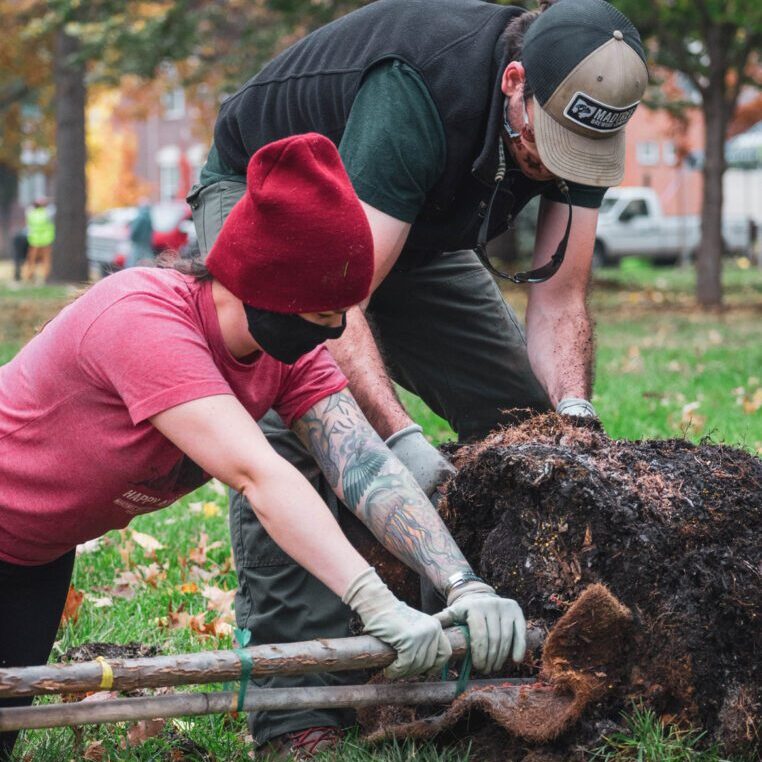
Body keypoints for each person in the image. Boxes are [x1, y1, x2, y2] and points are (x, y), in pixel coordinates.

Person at [187, 0, 649, 755]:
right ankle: (296, 711)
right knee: (308, 417)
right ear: (512, 82)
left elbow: (561, 295)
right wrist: (397, 435)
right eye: (548, 141)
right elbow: (340, 298)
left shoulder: (583, 113)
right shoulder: (419, 90)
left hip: (412, 226)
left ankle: (497, 639)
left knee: (523, 424)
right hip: (271, 195)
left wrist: (574, 424)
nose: (559, 163)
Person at [0, 134, 526, 760]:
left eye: (345, 313)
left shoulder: (287, 351)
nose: (334, 331)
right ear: (267, 284)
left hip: (35, 555)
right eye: (325, 311)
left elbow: (359, 462)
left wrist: (463, 584)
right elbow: (259, 473)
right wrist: (377, 602)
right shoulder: (143, 320)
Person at [23, 198, 54, 283]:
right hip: (46, 240)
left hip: (34, 241)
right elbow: (53, 210)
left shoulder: (31, 213)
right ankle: (46, 277)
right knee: (46, 261)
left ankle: (29, 277)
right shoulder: (47, 213)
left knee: (31, 260)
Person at [128, 199, 154, 267]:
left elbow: (135, 230)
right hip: (146, 242)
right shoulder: (149, 217)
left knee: (133, 259)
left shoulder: (140, 217)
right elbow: (151, 231)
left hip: (138, 242)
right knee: (147, 258)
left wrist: (132, 238)